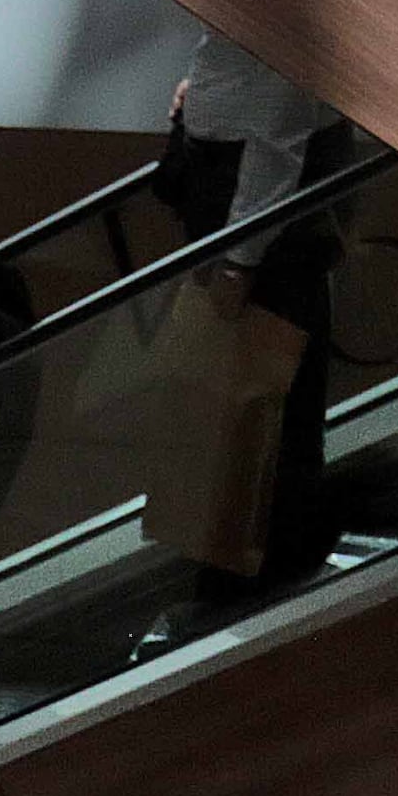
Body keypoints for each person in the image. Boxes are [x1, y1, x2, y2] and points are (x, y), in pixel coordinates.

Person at [153, 33, 356, 608]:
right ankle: (236, 565)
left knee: (265, 398)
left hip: (259, 224)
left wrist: (241, 259)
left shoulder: (280, 9)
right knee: (232, 399)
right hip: (235, 193)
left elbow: (277, 130)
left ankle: (266, 577)